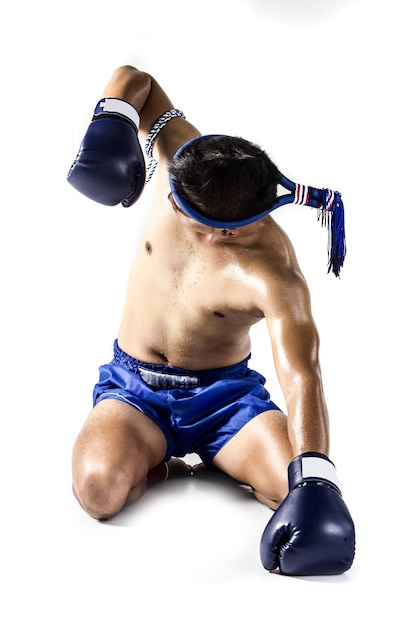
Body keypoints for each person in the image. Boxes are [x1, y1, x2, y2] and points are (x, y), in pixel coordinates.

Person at [68, 65, 355, 576]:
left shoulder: (273, 273)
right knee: (97, 490)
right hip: (135, 389)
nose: (167, 200)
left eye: (183, 208)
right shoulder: (188, 159)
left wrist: (318, 479)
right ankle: (166, 466)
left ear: (228, 234)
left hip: (228, 401)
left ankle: (225, 458)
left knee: (292, 490)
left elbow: (302, 375)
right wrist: (112, 118)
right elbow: (138, 80)